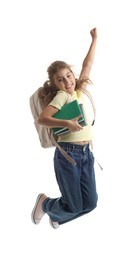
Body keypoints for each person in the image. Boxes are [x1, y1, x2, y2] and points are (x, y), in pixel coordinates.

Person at [31, 27, 98, 229]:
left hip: (86, 154)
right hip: (69, 155)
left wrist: (95, 39)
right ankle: (45, 203)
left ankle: (57, 215)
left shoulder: (78, 91)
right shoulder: (62, 96)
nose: (67, 81)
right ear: (55, 84)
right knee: (75, 205)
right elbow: (43, 118)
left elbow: (88, 64)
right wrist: (66, 123)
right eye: (60, 79)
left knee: (90, 204)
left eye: (69, 75)